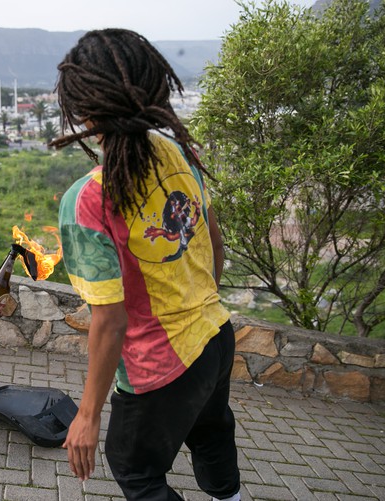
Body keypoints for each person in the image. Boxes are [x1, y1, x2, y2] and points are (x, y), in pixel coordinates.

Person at [52, 29, 240, 501]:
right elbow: (215, 247)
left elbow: (110, 320)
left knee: (134, 470)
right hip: (216, 335)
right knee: (212, 433)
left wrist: (88, 413)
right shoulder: (180, 152)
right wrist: (197, 309)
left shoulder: (89, 199)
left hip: (159, 364)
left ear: (85, 110)